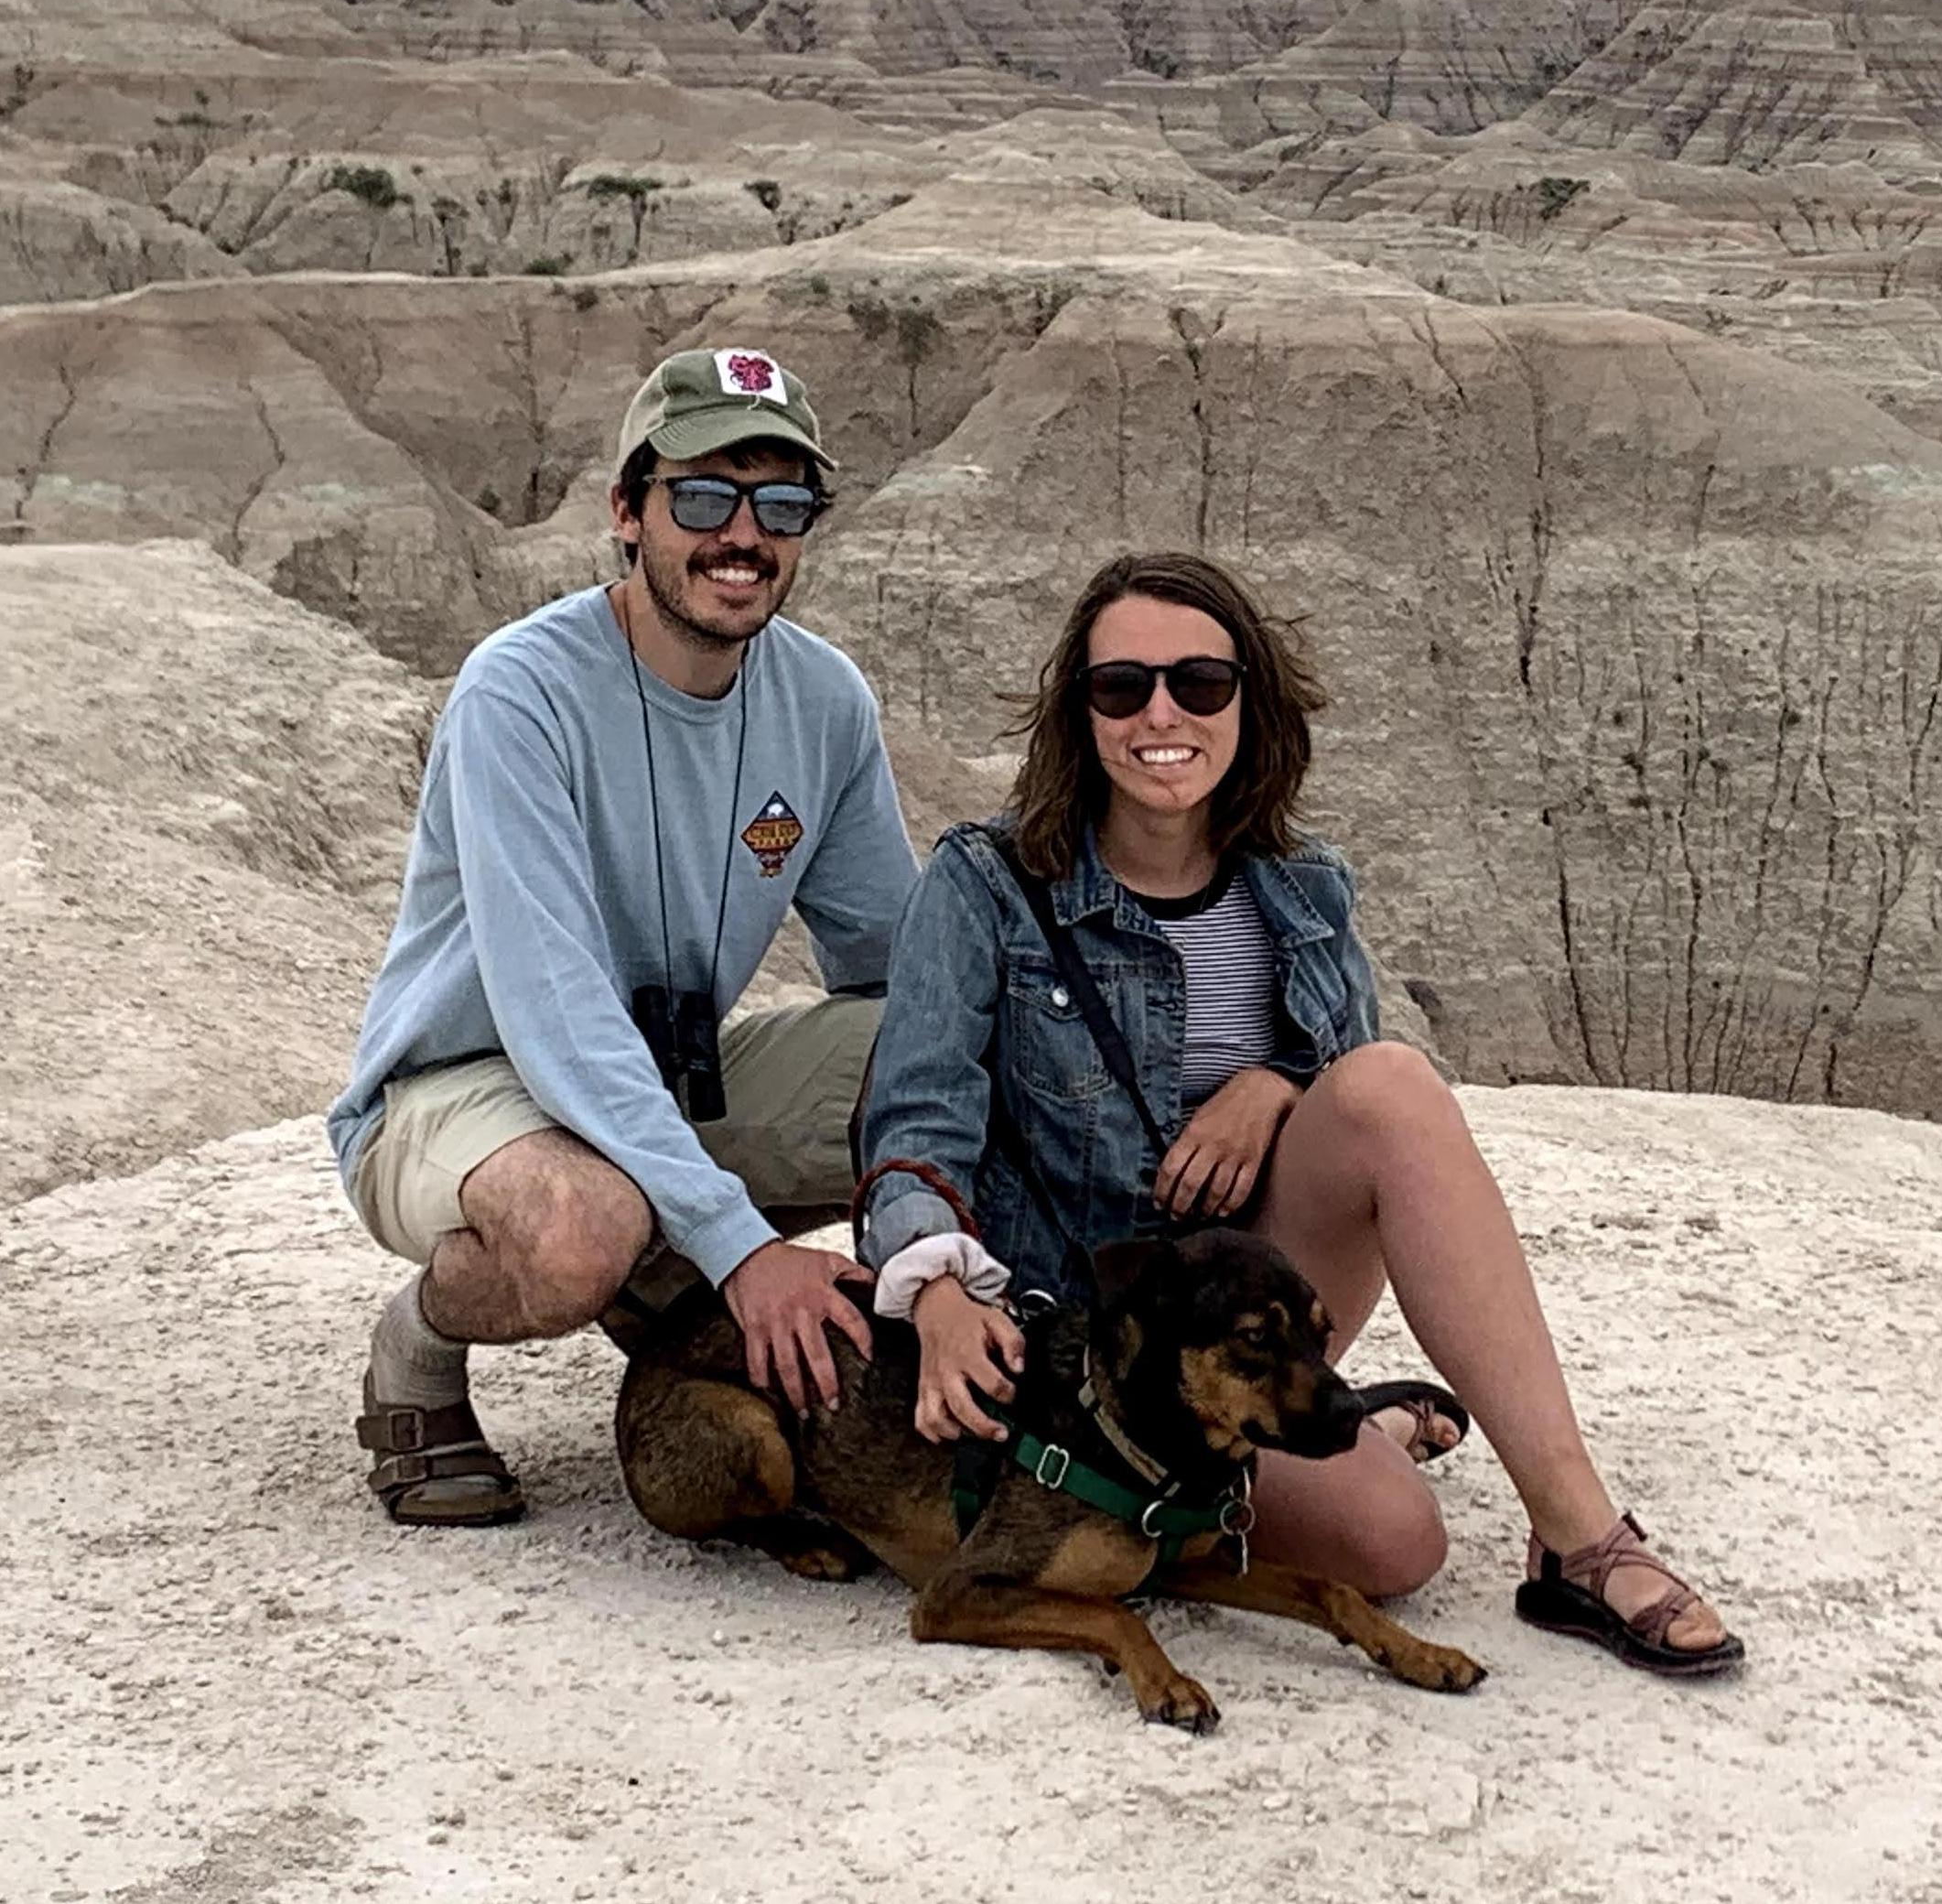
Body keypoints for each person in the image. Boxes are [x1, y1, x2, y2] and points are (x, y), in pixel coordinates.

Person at [856, 551, 1743, 1677]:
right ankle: (1336, 1418)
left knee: (1386, 1084)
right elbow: (911, 1120)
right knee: (1395, 1542)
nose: (1160, 714)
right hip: (1091, 1342)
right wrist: (933, 1285)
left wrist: (1274, 1080)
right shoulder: (987, 883)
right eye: (1121, 687)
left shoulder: (1301, 887)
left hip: (1251, 1293)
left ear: (1250, 702)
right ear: (1079, 714)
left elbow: (1360, 1092)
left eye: (1201, 684)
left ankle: (1579, 1538)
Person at [330, 347, 920, 1526]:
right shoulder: (520, 694)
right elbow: (553, 1008)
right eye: (701, 496)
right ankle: (418, 1348)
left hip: (661, 1074)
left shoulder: (824, 700)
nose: (739, 535)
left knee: (962, 1061)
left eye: (780, 502)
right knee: (581, 1227)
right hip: (463, 1089)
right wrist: (743, 1248)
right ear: (625, 510)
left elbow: (895, 964)